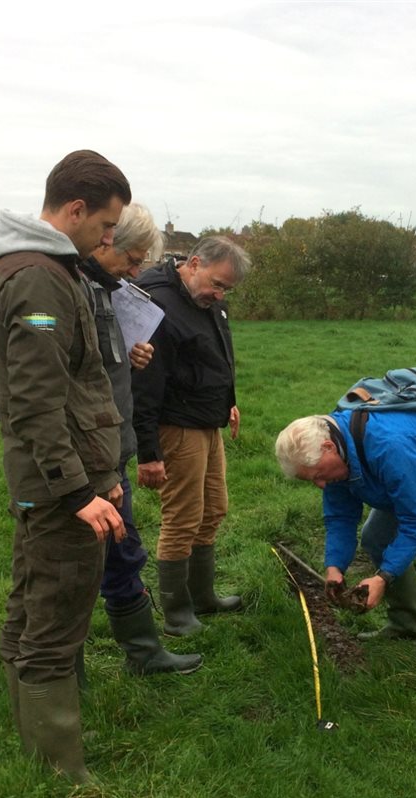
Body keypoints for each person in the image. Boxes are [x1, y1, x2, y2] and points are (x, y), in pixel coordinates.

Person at [0, 149, 132, 782]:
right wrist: (78, 492)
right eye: (104, 225)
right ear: (73, 210)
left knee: (31, 603)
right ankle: (60, 776)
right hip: (57, 486)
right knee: (55, 622)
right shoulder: (40, 276)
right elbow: (35, 400)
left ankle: (30, 744)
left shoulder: (34, 265)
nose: (108, 239)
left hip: (52, 478)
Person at [275, 402, 416, 662]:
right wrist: (334, 567)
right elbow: (340, 516)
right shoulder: (336, 449)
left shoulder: (389, 447)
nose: (320, 484)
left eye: (319, 475)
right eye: (311, 480)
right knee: (376, 537)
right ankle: (405, 624)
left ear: (328, 448)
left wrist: (383, 577)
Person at [81, 203, 203, 677]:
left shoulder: (109, 291)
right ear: (104, 238)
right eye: (131, 258)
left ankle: (144, 653)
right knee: (82, 566)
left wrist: (127, 356)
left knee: (123, 551)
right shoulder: (69, 289)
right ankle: (65, 674)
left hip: (109, 451)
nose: (137, 270)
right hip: (86, 460)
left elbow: (95, 370)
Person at [131, 236, 252, 636]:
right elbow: (145, 384)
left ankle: (204, 597)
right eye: (217, 284)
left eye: (226, 290)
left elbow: (218, 355)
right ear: (195, 263)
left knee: (214, 508)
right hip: (177, 424)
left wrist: (228, 402)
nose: (219, 295)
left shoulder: (207, 303)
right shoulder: (159, 303)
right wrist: (148, 451)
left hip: (207, 419)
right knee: (183, 517)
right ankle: (177, 613)